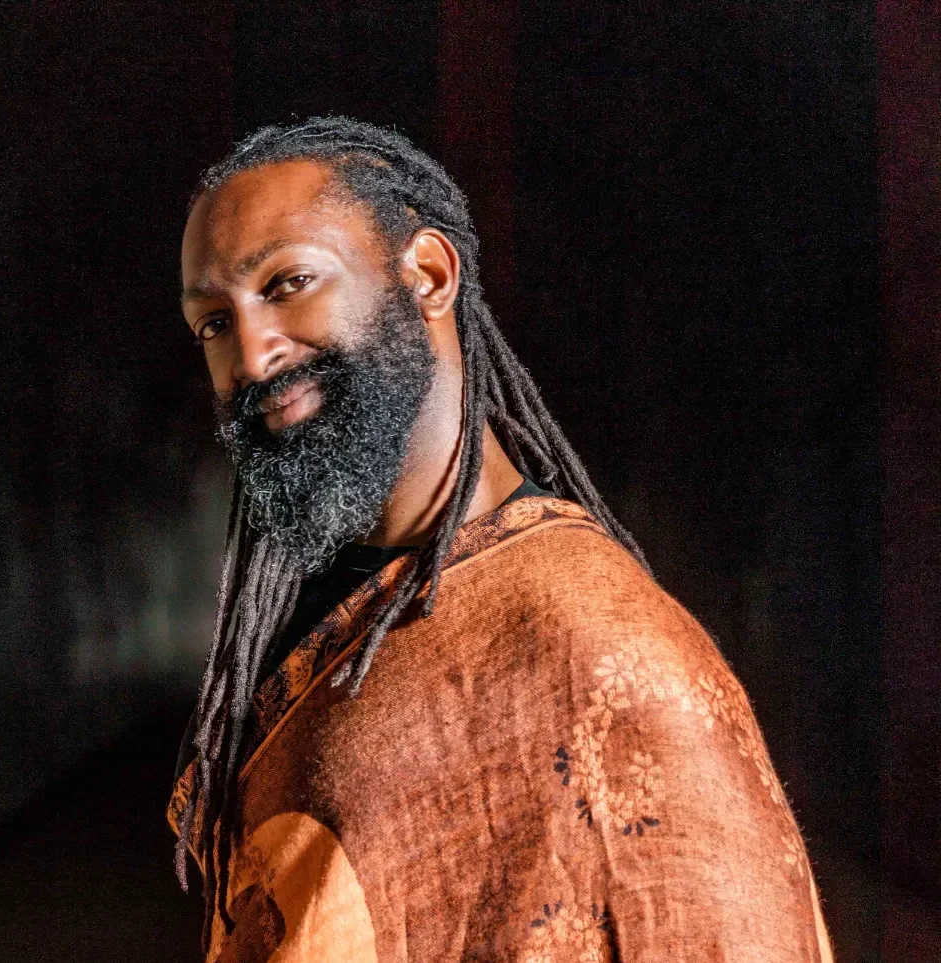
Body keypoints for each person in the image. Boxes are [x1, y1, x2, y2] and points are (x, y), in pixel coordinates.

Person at [169, 116, 834, 962]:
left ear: (429, 274)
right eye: (213, 324)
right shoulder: (318, 613)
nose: (252, 356)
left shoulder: (606, 649)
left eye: (288, 283)